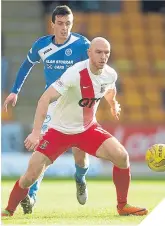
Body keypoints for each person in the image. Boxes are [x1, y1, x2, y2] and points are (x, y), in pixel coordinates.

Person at [2, 37, 148, 217]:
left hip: (87, 129)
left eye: (106, 53)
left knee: (122, 157)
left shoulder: (110, 74)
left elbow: (109, 90)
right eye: (98, 52)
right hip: (59, 131)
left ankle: (122, 205)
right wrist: (36, 132)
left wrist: (113, 104)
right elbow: (45, 99)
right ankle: (8, 211)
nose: (103, 56)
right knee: (30, 177)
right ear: (89, 53)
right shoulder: (74, 73)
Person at [3, 5, 90, 214]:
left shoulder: (82, 44)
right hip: (51, 104)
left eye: (68, 24)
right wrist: (15, 91)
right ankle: (31, 197)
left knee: (80, 155)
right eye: (60, 24)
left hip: (77, 105)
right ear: (52, 24)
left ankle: (80, 178)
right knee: (42, 151)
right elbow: (26, 65)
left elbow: (95, 70)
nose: (64, 28)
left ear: (72, 24)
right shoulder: (42, 46)